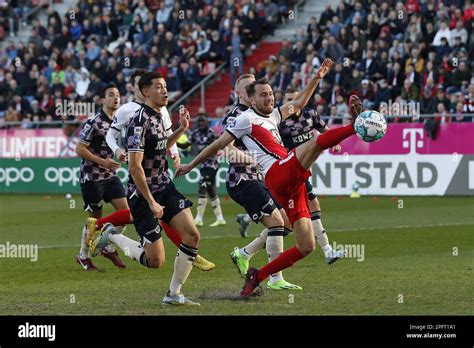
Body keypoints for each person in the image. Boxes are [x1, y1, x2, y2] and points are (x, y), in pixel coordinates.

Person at [177, 59, 363, 297]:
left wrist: (318, 76)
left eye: (271, 93)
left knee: (306, 246)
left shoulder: (273, 117)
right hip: (276, 173)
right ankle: (355, 126)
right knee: (314, 143)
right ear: (251, 99)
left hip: (289, 185)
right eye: (263, 95)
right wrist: (192, 164)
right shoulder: (244, 119)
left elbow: (298, 103)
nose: (270, 98)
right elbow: (219, 144)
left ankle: (258, 276)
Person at [89, 72, 203, 306]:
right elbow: (135, 166)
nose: (165, 91)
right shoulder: (138, 121)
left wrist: (181, 130)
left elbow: (161, 147)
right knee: (155, 261)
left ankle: (173, 294)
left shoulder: (160, 116)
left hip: (164, 185)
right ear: (145, 92)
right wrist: (151, 201)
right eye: (159, 87)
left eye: (166, 86)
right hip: (142, 194)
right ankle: (112, 234)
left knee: (192, 236)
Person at [224, 74, 302, 290]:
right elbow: (227, 151)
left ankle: (244, 253)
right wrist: (252, 159)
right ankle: (276, 279)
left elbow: (293, 107)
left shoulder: (263, 114)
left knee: (286, 222)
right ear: (241, 93)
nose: (253, 89)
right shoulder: (235, 117)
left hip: (265, 177)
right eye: (248, 87)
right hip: (243, 178)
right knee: (277, 222)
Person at [278, 87, 346, 264]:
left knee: (284, 220)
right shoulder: (280, 122)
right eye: (288, 101)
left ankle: (247, 247)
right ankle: (327, 250)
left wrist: (335, 142)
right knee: (311, 206)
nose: (291, 104)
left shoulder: (311, 114)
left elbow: (324, 129)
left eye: (294, 99)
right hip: (292, 170)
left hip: (303, 169)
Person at [75, 83, 126, 271]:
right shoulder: (94, 122)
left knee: (126, 214)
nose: (116, 98)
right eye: (111, 95)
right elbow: (79, 149)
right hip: (92, 177)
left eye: (118, 95)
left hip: (110, 175)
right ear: (103, 100)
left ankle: (108, 248)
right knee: (95, 220)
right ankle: (83, 256)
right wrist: (103, 162)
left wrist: (119, 154)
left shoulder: (118, 122)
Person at [177, 114, 225, 227]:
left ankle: (198, 218)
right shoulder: (195, 133)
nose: (201, 123)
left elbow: (221, 145)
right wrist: (174, 141)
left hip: (212, 164)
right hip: (203, 164)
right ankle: (220, 218)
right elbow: (185, 145)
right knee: (210, 189)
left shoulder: (212, 133)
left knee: (202, 186)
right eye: (199, 121)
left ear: (206, 122)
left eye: (203, 121)